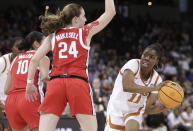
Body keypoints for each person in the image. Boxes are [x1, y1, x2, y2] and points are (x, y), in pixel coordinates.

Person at [26, 0, 116, 131]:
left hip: (56, 83)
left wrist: (30, 83)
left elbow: (34, 60)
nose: (85, 20)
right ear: (75, 19)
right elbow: (110, 12)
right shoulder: (85, 32)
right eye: (83, 16)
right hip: (77, 83)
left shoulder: (53, 36)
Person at [105, 43, 169, 131]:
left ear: (157, 61)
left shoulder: (157, 79)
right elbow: (127, 86)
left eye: (151, 57)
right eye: (145, 55)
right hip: (117, 107)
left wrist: (164, 107)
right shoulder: (133, 64)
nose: (146, 58)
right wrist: (153, 88)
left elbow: (147, 109)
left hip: (135, 111)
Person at [4, 31, 50, 131]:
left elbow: (6, 89)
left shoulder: (15, 59)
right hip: (30, 97)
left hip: (11, 101)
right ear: (36, 44)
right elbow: (45, 77)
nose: (48, 46)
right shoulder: (42, 57)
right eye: (45, 42)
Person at [0, 37, 23, 131]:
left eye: (22, 46)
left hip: (14, 102)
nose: (20, 49)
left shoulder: (25, 61)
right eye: (18, 46)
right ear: (11, 48)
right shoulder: (3, 61)